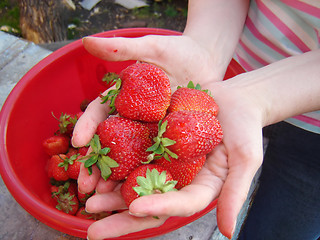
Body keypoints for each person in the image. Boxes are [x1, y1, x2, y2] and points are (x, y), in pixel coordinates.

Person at [71, 1, 320, 239]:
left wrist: (258, 97)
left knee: (283, 226)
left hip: (314, 135)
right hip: (240, 65)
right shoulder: (168, 119)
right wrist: (206, 45)